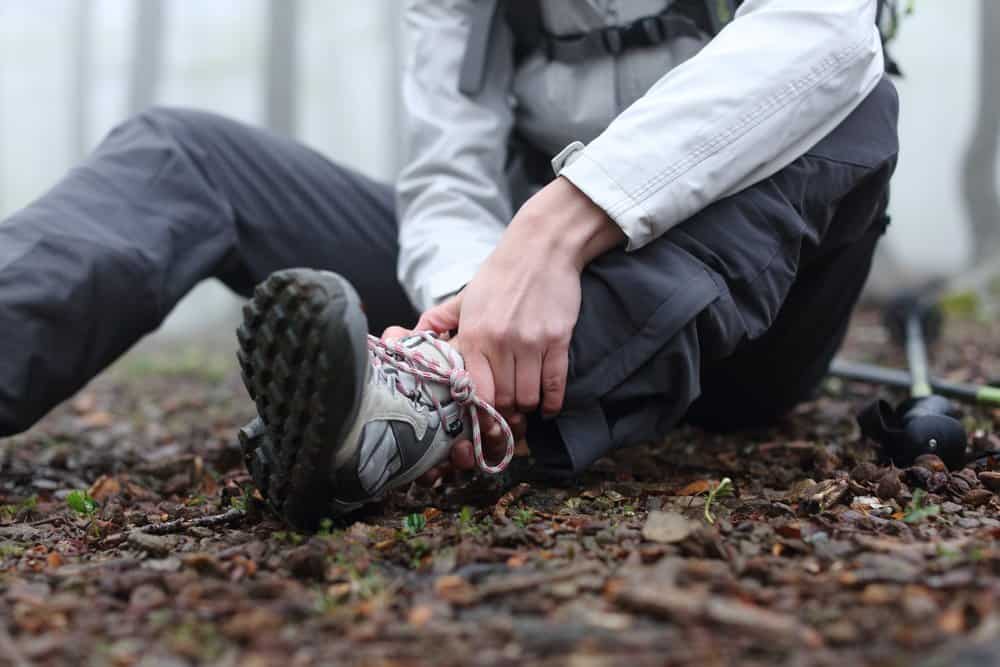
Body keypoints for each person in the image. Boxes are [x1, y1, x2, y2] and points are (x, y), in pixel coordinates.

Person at [0, 0, 898, 529]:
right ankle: (426, 383)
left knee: (861, 104)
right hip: (520, 301)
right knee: (184, 153)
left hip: (759, 321)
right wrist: (469, 297)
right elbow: (446, 169)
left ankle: (430, 401)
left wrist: (562, 223)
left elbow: (825, 34)